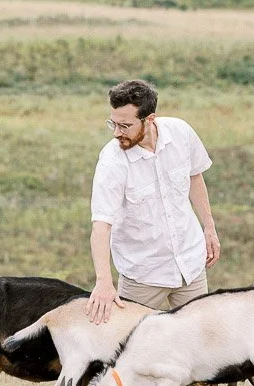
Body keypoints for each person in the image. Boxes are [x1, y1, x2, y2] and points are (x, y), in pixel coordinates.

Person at [87, 78, 222, 324]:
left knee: (200, 336)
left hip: (190, 265)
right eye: (113, 124)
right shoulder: (112, 162)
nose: (117, 133)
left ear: (149, 119)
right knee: (128, 342)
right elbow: (101, 225)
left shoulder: (181, 133)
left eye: (125, 125)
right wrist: (104, 282)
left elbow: (194, 177)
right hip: (142, 276)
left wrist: (209, 228)